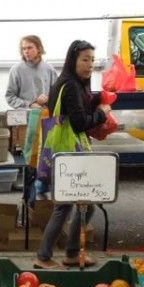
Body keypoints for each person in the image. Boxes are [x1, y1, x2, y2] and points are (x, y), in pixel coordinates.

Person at [34, 39, 111, 268]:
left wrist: (98, 99)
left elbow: (78, 108)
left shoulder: (70, 83)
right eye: (85, 59)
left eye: (92, 60)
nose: (89, 65)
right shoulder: (70, 86)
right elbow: (79, 123)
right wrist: (103, 113)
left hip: (65, 153)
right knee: (67, 205)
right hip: (69, 154)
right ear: (73, 60)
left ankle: (70, 253)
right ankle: (44, 257)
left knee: (80, 203)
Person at [5, 35, 57, 109]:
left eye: (29, 48)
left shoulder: (50, 69)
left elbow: (57, 95)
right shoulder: (16, 70)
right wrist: (29, 105)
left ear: (39, 48)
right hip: (25, 116)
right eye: (24, 48)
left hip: (47, 116)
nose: (26, 51)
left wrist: (48, 99)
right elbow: (10, 97)